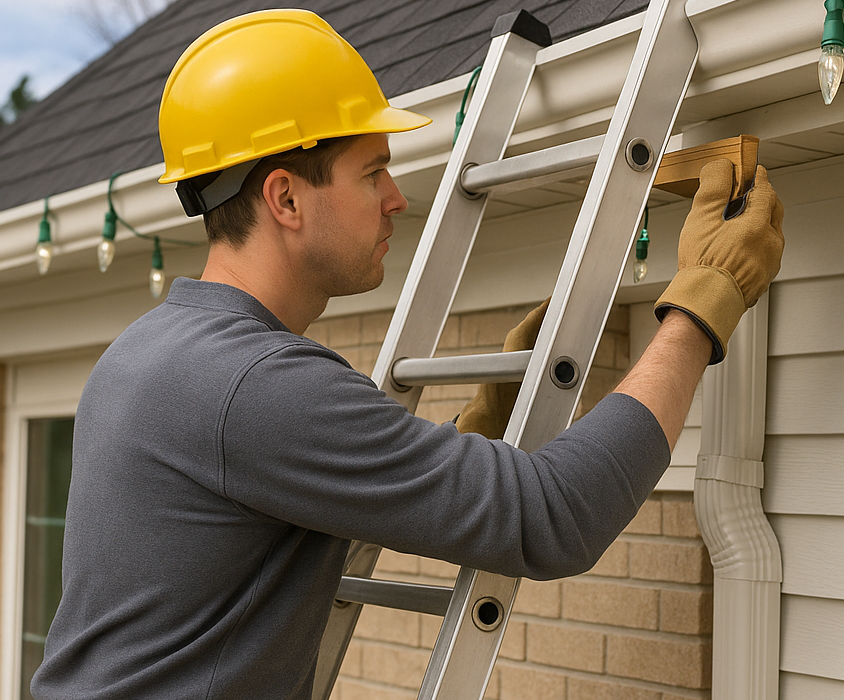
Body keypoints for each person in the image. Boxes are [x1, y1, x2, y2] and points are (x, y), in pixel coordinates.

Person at [32, 8, 784, 700]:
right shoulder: (259, 385)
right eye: (373, 172)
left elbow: (344, 491)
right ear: (286, 200)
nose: (397, 197)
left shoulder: (146, 353)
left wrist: (492, 411)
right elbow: (552, 517)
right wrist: (704, 303)